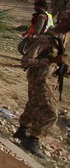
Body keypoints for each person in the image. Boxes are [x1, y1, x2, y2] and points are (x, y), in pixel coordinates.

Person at [13, 10, 70, 158]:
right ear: (63, 21)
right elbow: (25, 61)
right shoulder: (45, 39)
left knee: (34, 104)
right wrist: (51, 61)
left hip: (50, 78)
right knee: (51, 111)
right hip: (39, 79)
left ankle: (23, 129)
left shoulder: (63, 37)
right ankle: (33, 139)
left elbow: (58, 58)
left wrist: (62, 67)